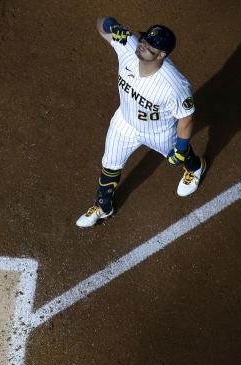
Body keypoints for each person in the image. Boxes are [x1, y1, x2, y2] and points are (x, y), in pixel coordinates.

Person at [76, 18, 206, 228]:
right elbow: (101, 24)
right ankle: (103, 205)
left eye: (150, 46)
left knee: (180, 158)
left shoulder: (174, 85)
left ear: (162, 54)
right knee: (109, 164)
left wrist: (181, 147)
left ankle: (195, 167)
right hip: (125, 123)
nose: (143, 45)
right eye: (144, 38)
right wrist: (110, 25)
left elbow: (186, 117)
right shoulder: (129, 46)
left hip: (160, 131)